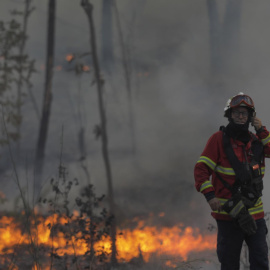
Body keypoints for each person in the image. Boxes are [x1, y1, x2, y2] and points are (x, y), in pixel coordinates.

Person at [194, 92, 270, 270]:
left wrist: (261, 130)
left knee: (260, 263)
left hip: (255, 216)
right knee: (229, 264)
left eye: (245, 113)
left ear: (251, 117)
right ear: (230, 115)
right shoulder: (218, 140)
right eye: (237, 112)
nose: (241, 116)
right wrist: (210, 196)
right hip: (229, 216)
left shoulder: (255, 141)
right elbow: (201, 170)